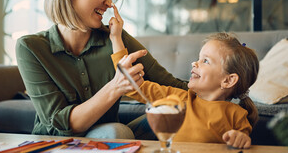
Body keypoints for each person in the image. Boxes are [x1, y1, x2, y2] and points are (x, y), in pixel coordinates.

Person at [15, 0, 188, 139]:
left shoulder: (116, 38)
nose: (109, 3)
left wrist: (220, 89)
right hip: (56, 144)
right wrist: (116, 86)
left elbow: (173, 86)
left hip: (108, 140)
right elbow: (61, 124)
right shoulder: (31, 47)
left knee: (181, 112)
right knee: (116, 131)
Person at [111, 29, 259, 149]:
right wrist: (116, 38)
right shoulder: (179, 99)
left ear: (228, 80)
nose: (194, 63)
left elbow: (243, 140)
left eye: (205, 61)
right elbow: (132, 87)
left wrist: (240, 138)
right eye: (198, 58)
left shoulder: (237, 115)